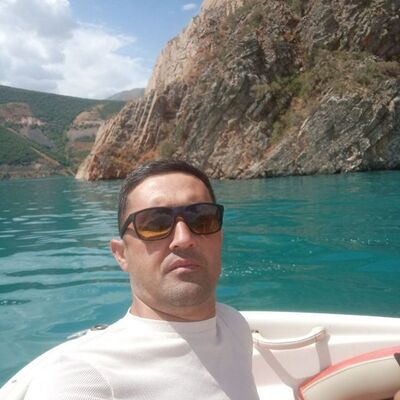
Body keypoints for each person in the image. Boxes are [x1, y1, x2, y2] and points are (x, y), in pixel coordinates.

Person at [22, 159, 260, 400]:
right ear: (121, 254)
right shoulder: (85, 376)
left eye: (201, 219)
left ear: (220, 237)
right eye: (155, 224)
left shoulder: (234, 326)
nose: (183, 238)